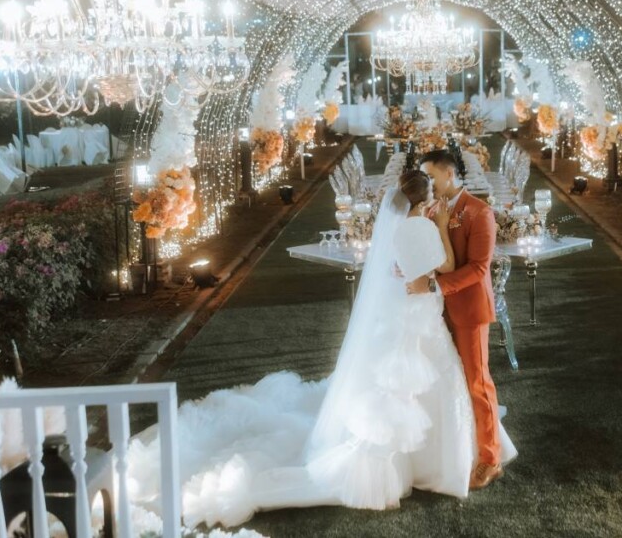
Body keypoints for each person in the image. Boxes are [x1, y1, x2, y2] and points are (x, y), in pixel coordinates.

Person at [126, 172, 515, 528]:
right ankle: (432, 463)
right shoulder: (422, 227)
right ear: (423, 200)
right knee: (431, 384)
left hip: (415, 312)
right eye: (432, 197)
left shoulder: (404, 227)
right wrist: (444, 227)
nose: (437, 202)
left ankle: (439, 458)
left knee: (427, 385)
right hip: (421, 318)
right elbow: (444, 263)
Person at [409, 149, 508, 489]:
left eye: (431, 177)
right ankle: (462, 447)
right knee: (451, 383)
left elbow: (479, 269)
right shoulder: (435, 209)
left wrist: (435, 285)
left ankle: (491, 459)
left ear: (449, 174)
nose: (428, 183)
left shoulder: (479, 213)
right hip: (438, 313)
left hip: (468, 311)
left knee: (478, 383)